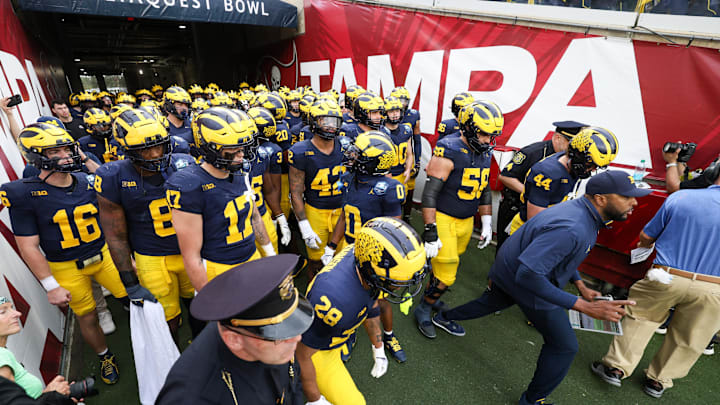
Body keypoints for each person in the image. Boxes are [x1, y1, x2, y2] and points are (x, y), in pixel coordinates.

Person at [432, 170, 645, 405]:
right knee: (564, 347)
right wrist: (582, 305)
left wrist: (580, 285)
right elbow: (529, 276)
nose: (634, 202)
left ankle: (443, 317)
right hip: (524, 278)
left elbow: (561, 255)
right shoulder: (573, 227)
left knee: (493, 302)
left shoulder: (582, 212)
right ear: (601, 199)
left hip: (509, 269)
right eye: (626, 197)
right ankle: (532, 401)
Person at [0, 123, 127, 385]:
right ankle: (105, 356)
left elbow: (110, 220)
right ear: (37, 157)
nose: (66, 154)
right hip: (66, 265)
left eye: (67, 148)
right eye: (56, 150)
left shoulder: (86, 181)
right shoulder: (24, 192)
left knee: (136, 296)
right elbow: (28, 246)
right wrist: (50, 285)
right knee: (87, 315)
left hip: (103, 255)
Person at [591, 167, 720, 399]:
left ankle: (616, 367)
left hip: (666, 275)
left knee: (639, 318)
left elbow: (647, 236)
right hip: (714, 287)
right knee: (691, 336)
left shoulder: (682, 197)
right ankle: (658, 381)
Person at [94, 108, 201, 339]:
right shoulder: (113, 176)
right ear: (127, 150)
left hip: (189, 249)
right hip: (152, 257)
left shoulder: (184, 161)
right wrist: (129, 280)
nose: (154, 154)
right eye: (144, 149)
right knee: (166, 320)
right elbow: (115, 235)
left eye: (158, 145)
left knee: (199, 309)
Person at [296, 217, 428, 405]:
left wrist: (378, 346)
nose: (400, 287)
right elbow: (301, 354)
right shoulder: (334, 300)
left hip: (333, 331)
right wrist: (314, 399)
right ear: (373, 271)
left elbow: (370, 303)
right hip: (318, 350)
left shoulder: (364, 262)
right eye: (398, 282)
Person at [157, 254, 313, 404]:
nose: (296, 338)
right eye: (280, 335)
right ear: (234, 339)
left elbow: (292, 385)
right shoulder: (191, 396)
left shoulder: (278, 346)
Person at [414, 101, 502, 339]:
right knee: (447, 275)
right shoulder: (449, 148)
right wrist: (430, 230)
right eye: (484, 133)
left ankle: (432, 294)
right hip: (444, 217)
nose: (487, 140)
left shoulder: (484, 151)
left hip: (465, 221)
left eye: (492, 135)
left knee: (446, 265)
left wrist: (485, 220)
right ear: (469, 128)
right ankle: (423, 307)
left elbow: (483, 187)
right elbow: (430, 193)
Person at [166, 107, 274, 292]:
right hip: (219, 267)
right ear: (210, 148)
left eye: (243, 147)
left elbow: (254, 217)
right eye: (233, 148)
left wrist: (270, 253)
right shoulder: (190, 184)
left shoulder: (239, 170)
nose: (241, 154)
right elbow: (191, 255)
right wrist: (205, 293)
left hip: (251, 257)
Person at [324, 131, 407, 363]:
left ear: (373, 162)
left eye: (357, 154)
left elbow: (394, 227)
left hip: (373, 253)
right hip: (347, 247)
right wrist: (331, 246)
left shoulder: (389, 187)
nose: (351, 156)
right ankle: (349, 333)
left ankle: (389, 335)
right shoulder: (351, 178)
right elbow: (344, 215)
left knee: (380, 300)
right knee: (348, 297)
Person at [507, 127, 618, 236]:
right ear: (578, 154)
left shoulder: (571, 164)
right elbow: (536, 222)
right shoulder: (547, 173)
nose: (593, 170)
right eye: (590, 164)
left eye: (596, 166)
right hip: (529, 231)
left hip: (549, 222)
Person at [496, 121, 586, 251]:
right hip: (515, 207)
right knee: (506, 250)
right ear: (557, 138)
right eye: (571, 143)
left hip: (546, 213)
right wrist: (530, 192)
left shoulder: (571, 160)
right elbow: (505, 176)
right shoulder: (533, 152)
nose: (575, 148)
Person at [288, 100, 350, 279]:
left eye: (335, 121)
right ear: (314, 121)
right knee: (316, 261)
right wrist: (304, 224)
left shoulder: (346, 146)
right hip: (316, 210)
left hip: (342, 210)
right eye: (325, 121)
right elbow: (296, 191)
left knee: (343, 259)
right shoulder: (300, 151)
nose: (331, 127)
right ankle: (313, 298)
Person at [0, 296, 74, 402]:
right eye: (3, 312)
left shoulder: (4, 351)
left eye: (12, 308)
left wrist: (53, 394)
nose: (17, 314)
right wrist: (51, 397)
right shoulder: (2, 357)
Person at [390, 86, 422, 223]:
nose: (402, 104)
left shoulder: (413, 115)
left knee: (409, 188)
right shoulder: (387, 114)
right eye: (399, 100)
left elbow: (417, 140)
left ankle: (407, 216)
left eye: (404, 100)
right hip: (392, 158)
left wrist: (418, 161)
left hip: (406, 155)